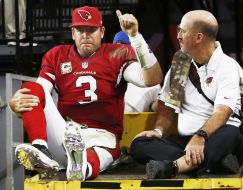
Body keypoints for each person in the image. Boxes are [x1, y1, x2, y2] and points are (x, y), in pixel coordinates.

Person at [9, 6, 163, 180]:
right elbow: (40, 94)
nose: (85, 35)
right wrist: (16, 105)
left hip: (101, 137)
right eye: (80, 30)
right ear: (73, 32)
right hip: (66, 134)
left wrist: (135, 36)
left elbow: (152, 79)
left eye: (91, 30)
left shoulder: (116, 53)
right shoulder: (57, 55)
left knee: (88, 162)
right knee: (31, 88)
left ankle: (80, 167)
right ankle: (41, 149)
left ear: (102, 31)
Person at [130, 10, 243, 179]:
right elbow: (168, 104)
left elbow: (222, 113)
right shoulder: (181, 63)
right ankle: (211, 162)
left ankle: (174, 167)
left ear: (199, 37)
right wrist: (159, 130)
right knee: (139, 145)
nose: (178, 35)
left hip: (219, 138)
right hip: (187, 141)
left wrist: (200, 137)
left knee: (231, 134)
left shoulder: (227, 66)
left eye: (182, 31)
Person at [113, 31, 161, 112]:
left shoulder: (151, 81)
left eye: (124, 48)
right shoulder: (105, 73)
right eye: (117, 48)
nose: (120, 52)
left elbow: (157, 108)